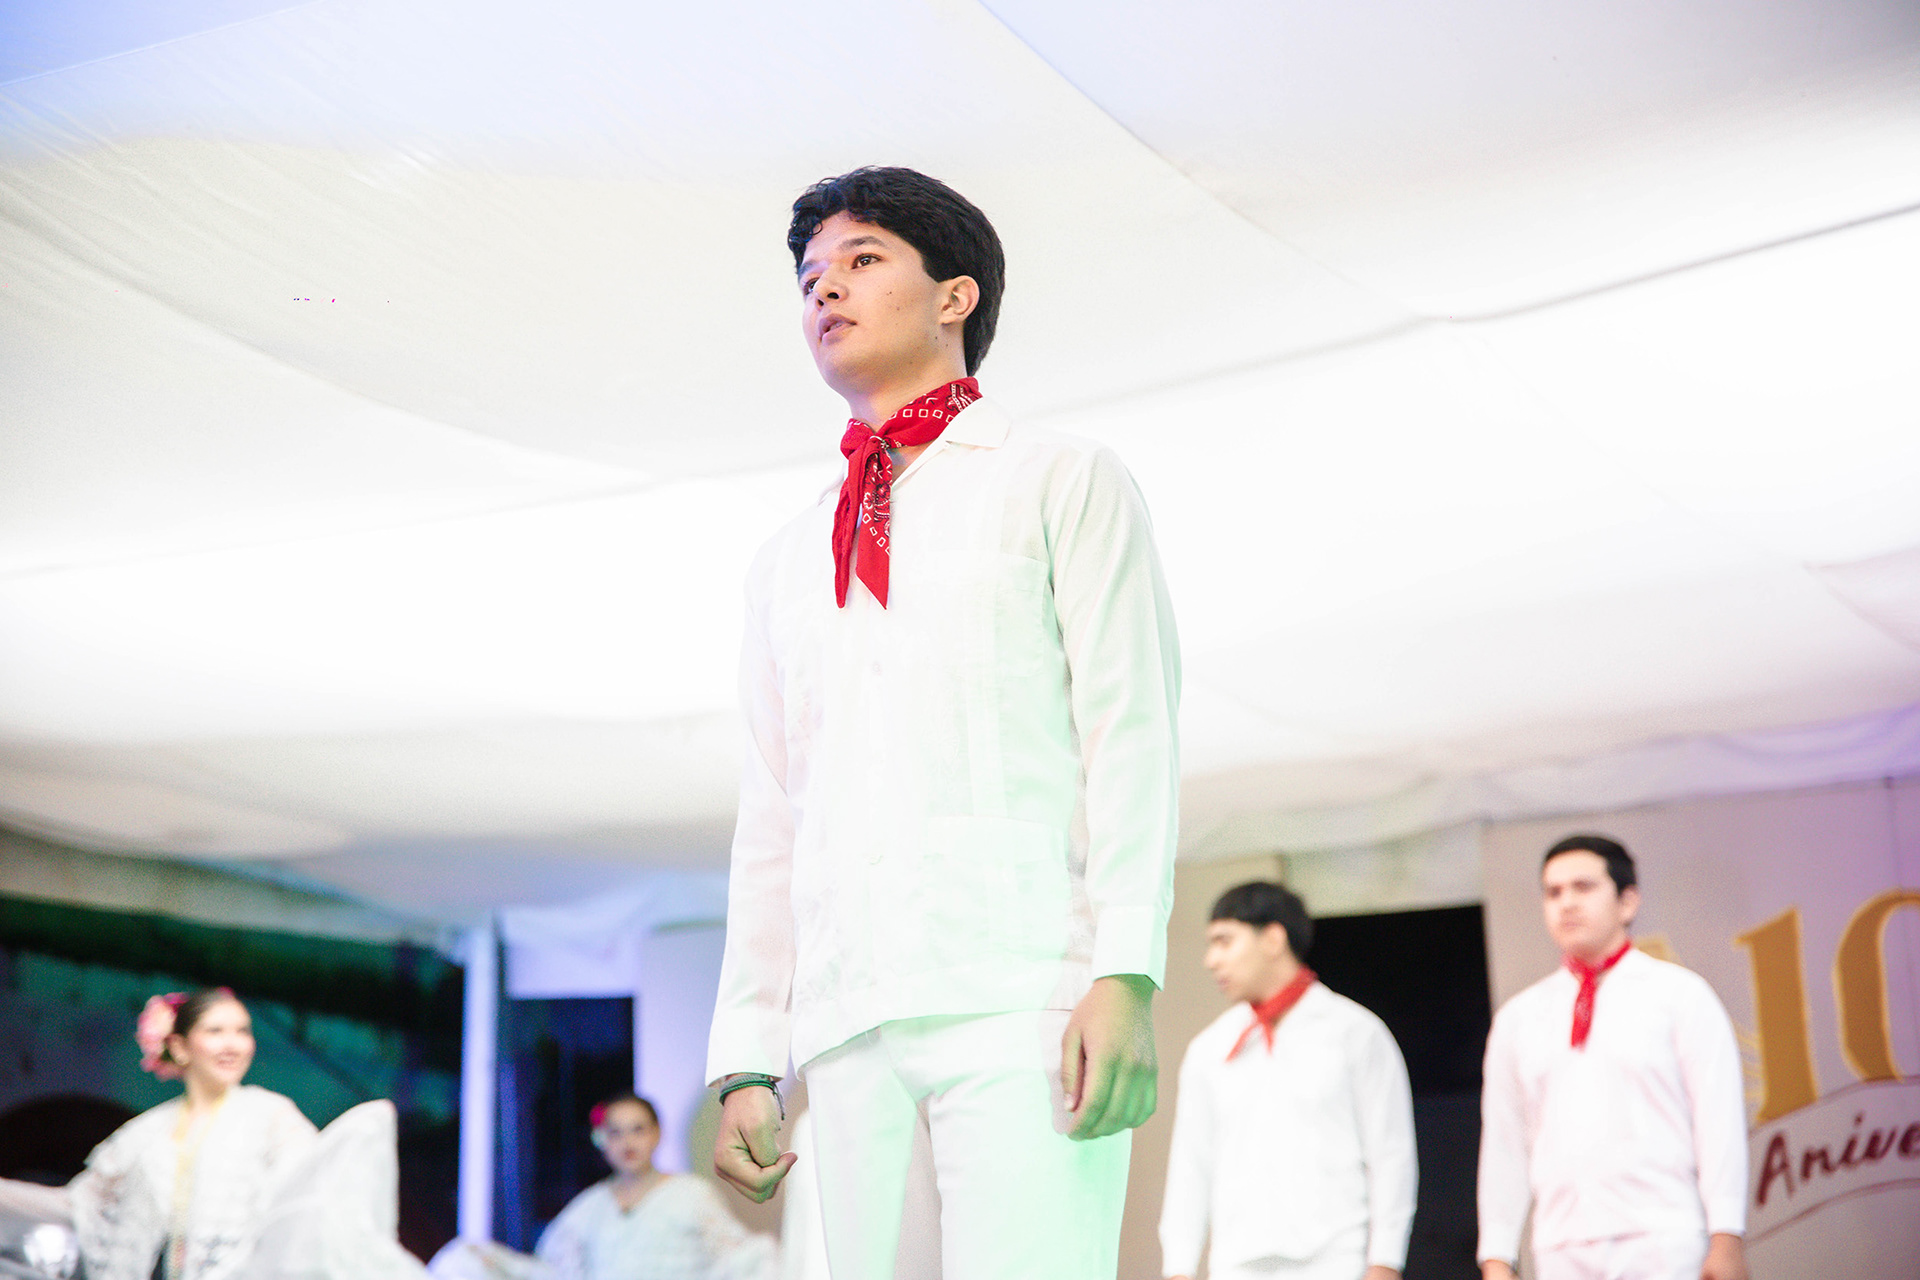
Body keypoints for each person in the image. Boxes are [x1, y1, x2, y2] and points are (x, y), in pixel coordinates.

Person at [704, 165, 1181, 1280]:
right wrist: (748, 1055)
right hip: (848, 1019)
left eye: (862, 260)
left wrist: (1125, 970)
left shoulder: (1061, 479)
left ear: (956, 295)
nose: (825, 289)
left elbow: (1131, 731)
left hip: (1020, 992)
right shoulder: (788, 559)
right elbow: (772, 816)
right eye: (810, 277)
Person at [0, 986, 426, 1280]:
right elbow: (80, 1206)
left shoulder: (270, 1115)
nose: (233, 1044)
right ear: (180, 1046)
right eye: (216, 1031)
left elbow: (306, 1191)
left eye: (242, 1031)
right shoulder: (147, 1133)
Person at [1477, 835, 1749, 1280]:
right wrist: (1496, 1258)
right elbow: (1505, 1144)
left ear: (1627, 901)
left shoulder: (1679, 995)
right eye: (1553, 892)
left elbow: (1718, 1122)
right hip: (1560, 1244)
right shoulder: (1519, 1019)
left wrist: (1727, 1236)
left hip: (1662, 1234)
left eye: (1583, 887)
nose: (1567, 903)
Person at [1160, 882, 1417, 1280]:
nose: (1211, 960)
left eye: (1224, 941)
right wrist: (1178, 1266)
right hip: (1237, 1266)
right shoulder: (1209, 1049)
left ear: (1273, 939)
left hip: (1337, 1262)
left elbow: (1391, 1154)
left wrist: (1384, 1262)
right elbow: (1190, 1165)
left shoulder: (1355, 1032)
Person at [532, 1093, 776, 1280]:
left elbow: (739, 1258)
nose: (627, 1142)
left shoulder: (691, 1194)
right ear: (603, 1140)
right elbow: (550, 1267)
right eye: (615, 1133)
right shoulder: (589, 1206)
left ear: (656, 1133)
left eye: (637, 1130)